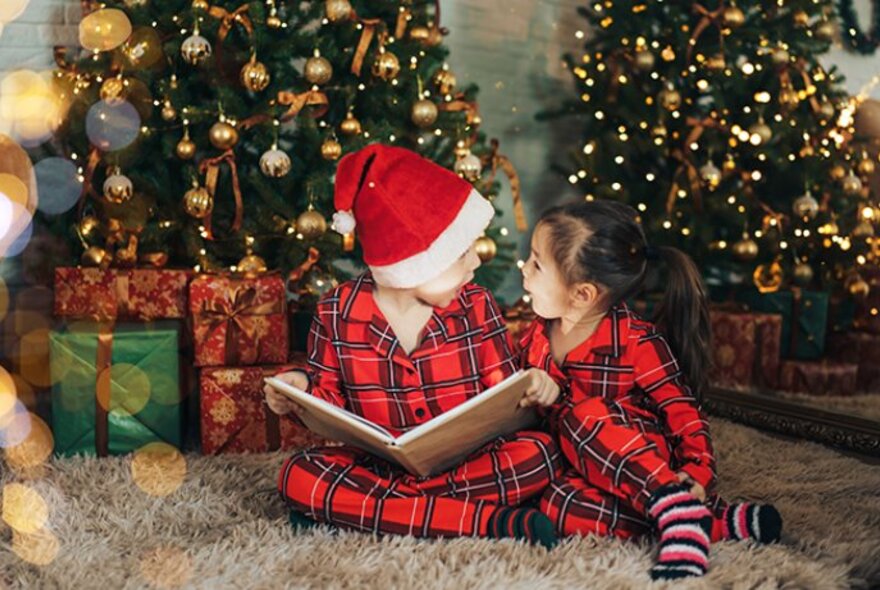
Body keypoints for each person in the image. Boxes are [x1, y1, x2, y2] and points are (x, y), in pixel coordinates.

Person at [265, 144, 562, 547]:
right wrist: (299, 389)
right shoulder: (336, 311)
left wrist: (535, 387)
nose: (475, 263)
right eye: (460, 254)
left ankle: (371, 514)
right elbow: (328, 401)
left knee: (540, 453)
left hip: (466, 463)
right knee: (299, 475)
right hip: (380, 465)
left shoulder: (477, 305)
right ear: (413, 264)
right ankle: (483, 522)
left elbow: (505, 396)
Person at [518, 200, 782, 579]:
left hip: (639, 458)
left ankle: (671, 502)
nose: (524, 270)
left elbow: (683, 412)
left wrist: (698, 471)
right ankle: (713, 524)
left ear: (582, 294)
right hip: (581, 470)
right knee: (557, 504)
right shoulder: (536, 336)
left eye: (536, 263)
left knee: (582, 415)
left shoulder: (637, 342)